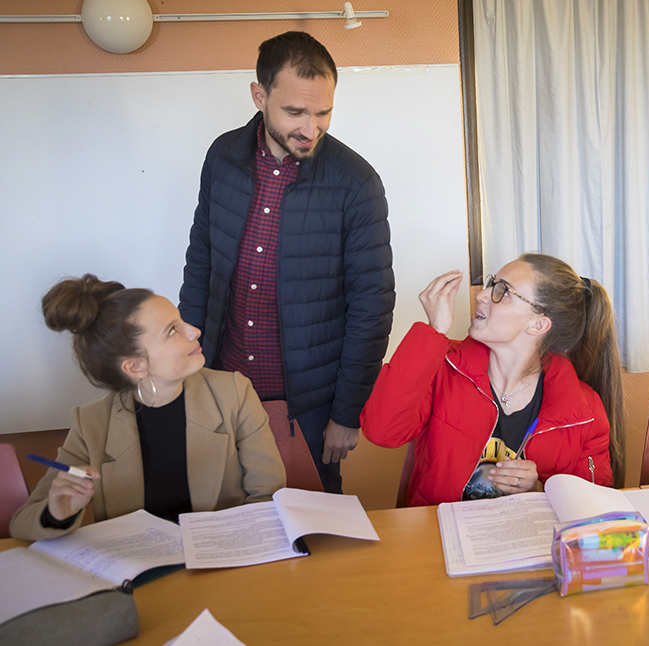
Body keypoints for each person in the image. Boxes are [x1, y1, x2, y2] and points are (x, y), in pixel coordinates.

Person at [178, 31, 395, 494]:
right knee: (223, 527)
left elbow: (370, 309)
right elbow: (201, 265)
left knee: (310, 542)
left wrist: (345, 413)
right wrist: (186, 372)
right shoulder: (222, 157)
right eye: (294, 112)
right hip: (222, 390)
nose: (310, 128)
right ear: (260, 96)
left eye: (323, 113)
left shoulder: (356, 182)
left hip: (309, 408)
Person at [10, 275, 286, 541]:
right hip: (141, 580)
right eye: (172, 331)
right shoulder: (92, 423)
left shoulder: (234, 393)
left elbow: (269, 496)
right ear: (135, 367)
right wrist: (57, 514)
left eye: (180, 321)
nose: (194, 331)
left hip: (226, 566)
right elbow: (22, 522)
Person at [361, 254, 625, 507]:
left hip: (530, 547)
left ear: (538, 325)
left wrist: (538, 491)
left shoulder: (585, 410)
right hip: (438, 540)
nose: (482, 295)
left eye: (504, 291)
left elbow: (593, 504)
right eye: (490, 284)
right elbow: (382, 431)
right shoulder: (442, 365)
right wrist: (434, 330)